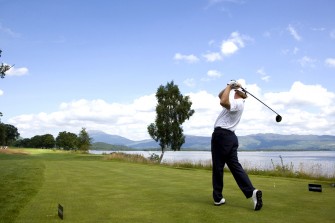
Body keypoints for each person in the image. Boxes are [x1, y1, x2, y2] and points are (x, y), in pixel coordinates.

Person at [211, 80, 263, 211]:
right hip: (230, 138)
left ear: (240, 93)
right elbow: (220, 95)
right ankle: (252, 192)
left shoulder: (238, 103)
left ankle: (217, 198)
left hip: (221, 136)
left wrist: (230, 86)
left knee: (218, 167)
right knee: (235, 167)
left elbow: (222, 101)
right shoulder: (238, 102)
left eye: (235, 91)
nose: (233, 93)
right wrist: (230, 86)